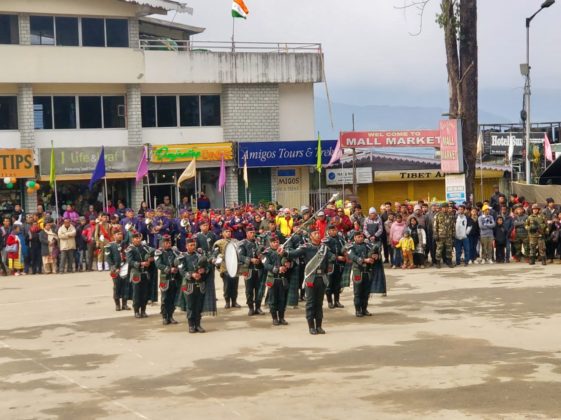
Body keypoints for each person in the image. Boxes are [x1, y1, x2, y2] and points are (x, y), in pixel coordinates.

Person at [284, 229, 335, 335]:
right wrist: (284, 252)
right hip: (311, 278)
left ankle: (319, 326)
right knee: (311, 303)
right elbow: (293, 254)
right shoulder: (306, 247)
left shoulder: (324, 248)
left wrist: (334, 258)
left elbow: (332, 257)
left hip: (322, 278)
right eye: (315, 233)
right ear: (310, 236)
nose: (317, 234)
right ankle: (311, 327)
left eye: (318, 233)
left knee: (319, 303)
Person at [177, 237, 209, 333]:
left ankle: (198, 324)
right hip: (188, 285)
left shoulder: (200, 256)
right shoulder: (182, 257)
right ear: (186, 246)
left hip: (199, 284)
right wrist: (191, 274)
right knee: (190, 306)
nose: (193, 246)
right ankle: (191, 325)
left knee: (199, 306)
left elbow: (207, 268)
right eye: (191, 245)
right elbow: (182, 271)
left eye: (194, 245)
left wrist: (203, 271)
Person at [126, 233, 155, 318]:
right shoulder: (129, 249)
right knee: (136, 294)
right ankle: (136, 311)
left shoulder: (145, 247)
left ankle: (143, 310)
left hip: (145, 273)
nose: (138, 240)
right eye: (136, 238)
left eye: (139, 238)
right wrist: (140, 263)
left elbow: (153, 250)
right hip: (136, 273)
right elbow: (130, 261)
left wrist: (150, 258)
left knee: (145, 293)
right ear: (132, 240)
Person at [262, 235, 289, 326]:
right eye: (274, 242)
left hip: (282, 278)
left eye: (277, 242)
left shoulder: (282, 251)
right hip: (272, 278)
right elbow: (266, 265)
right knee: (273, 299)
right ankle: (274, 318)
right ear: (270, 243)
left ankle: (281, 317)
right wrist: (277, 269)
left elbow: (288, 260)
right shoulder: (267, 252)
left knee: (282, 299)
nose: (276, 244)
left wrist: (287, 264)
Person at [347, 231, 376, 317]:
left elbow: (373, 252)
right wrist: (364, 260)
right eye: (358, 237)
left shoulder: (368, 245)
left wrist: (375, 256)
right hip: (357, 271)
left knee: (366, 292)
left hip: (367, 271)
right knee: (358, 292)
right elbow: (352, 256)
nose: (360, 238)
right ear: (355, 238)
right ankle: (357, 310)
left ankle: (364, 309)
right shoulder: (351, 246)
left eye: (361, 236)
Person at [154, 235, 180, 325]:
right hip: (165, 279)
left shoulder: (174, 251)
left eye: (169, 242)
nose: (168, 244)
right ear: (162, 243)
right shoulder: (159, 252)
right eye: (166, 242)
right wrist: (169, 269)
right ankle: (165, 317)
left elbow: (180, 259)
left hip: (174, 278)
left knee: (173, 298)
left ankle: (171, 316)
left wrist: (177, 267)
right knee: (165, 299)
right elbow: (158, 264)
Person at [238, 226, 264, 316]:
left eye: (253, 232)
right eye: (251, 233)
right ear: (247, 233)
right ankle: (250, 308)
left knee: (259, 289)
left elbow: (262, 253)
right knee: (249, 290)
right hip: (248, 269)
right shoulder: (242, 243)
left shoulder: (258, 242)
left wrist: (261, 257)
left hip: (259, 269)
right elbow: (240, 256)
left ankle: (258, 307)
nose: (253, 234)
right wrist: (250, 260)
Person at [213, 228, 241, 309]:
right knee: (227, 286)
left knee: (235, 285)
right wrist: (219, 258)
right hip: (225, 267)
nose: (228, 233)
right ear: (222, 233)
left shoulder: (235, 241)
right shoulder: (219, 243)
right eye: (226, 231)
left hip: (235, 266)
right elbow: (215, 254)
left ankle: (234, 301)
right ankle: (227, 302)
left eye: (229, 231)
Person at [105, 228, 130, 311]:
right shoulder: (110, 245)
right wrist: (113, 268)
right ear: (114, 236)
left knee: (125, 286)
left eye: (121, 234)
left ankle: (125, 304)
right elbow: (108, 259)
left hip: (125, 268)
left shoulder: (126, 245)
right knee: (117, 286)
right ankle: (117, 305)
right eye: (118, 234)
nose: (120, 235)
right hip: (115, 269)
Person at [324, 224, 347, 309]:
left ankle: (337, 301)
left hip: (340, 264)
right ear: (329, 231)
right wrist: (336, 257)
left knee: (338, 284)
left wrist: (345, 252)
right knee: (329, 283)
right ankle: (330, 302)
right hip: (330, 264)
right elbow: (325, 251)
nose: (334, 232)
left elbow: (344, 247)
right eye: (332, 230)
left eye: (335, 230)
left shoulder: (340, 239)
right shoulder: (326, 240)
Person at [434, 203, 455, 268]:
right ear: (441, 208)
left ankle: (449, 262)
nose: (445, 208)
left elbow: (453, 226)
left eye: (446, 207)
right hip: (440, 236)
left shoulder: (451, 215)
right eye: (444, 207)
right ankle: (438, 262)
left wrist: (453, 233)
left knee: (449, 249)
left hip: (449, 235)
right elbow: (435, 226)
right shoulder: (437, 215)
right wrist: (435, 234)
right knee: (439, 249)